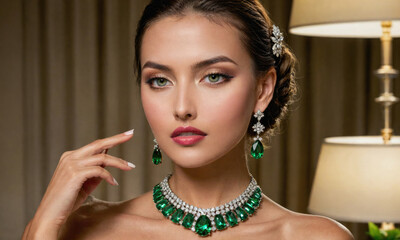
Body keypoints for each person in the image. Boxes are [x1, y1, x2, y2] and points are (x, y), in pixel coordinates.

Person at [23, 0, 355, 239]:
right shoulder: (84, 229)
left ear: (262, 89)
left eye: (213, 76)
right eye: (159, 80)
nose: (182, 107)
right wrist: (41, 225)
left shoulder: (315, 237)